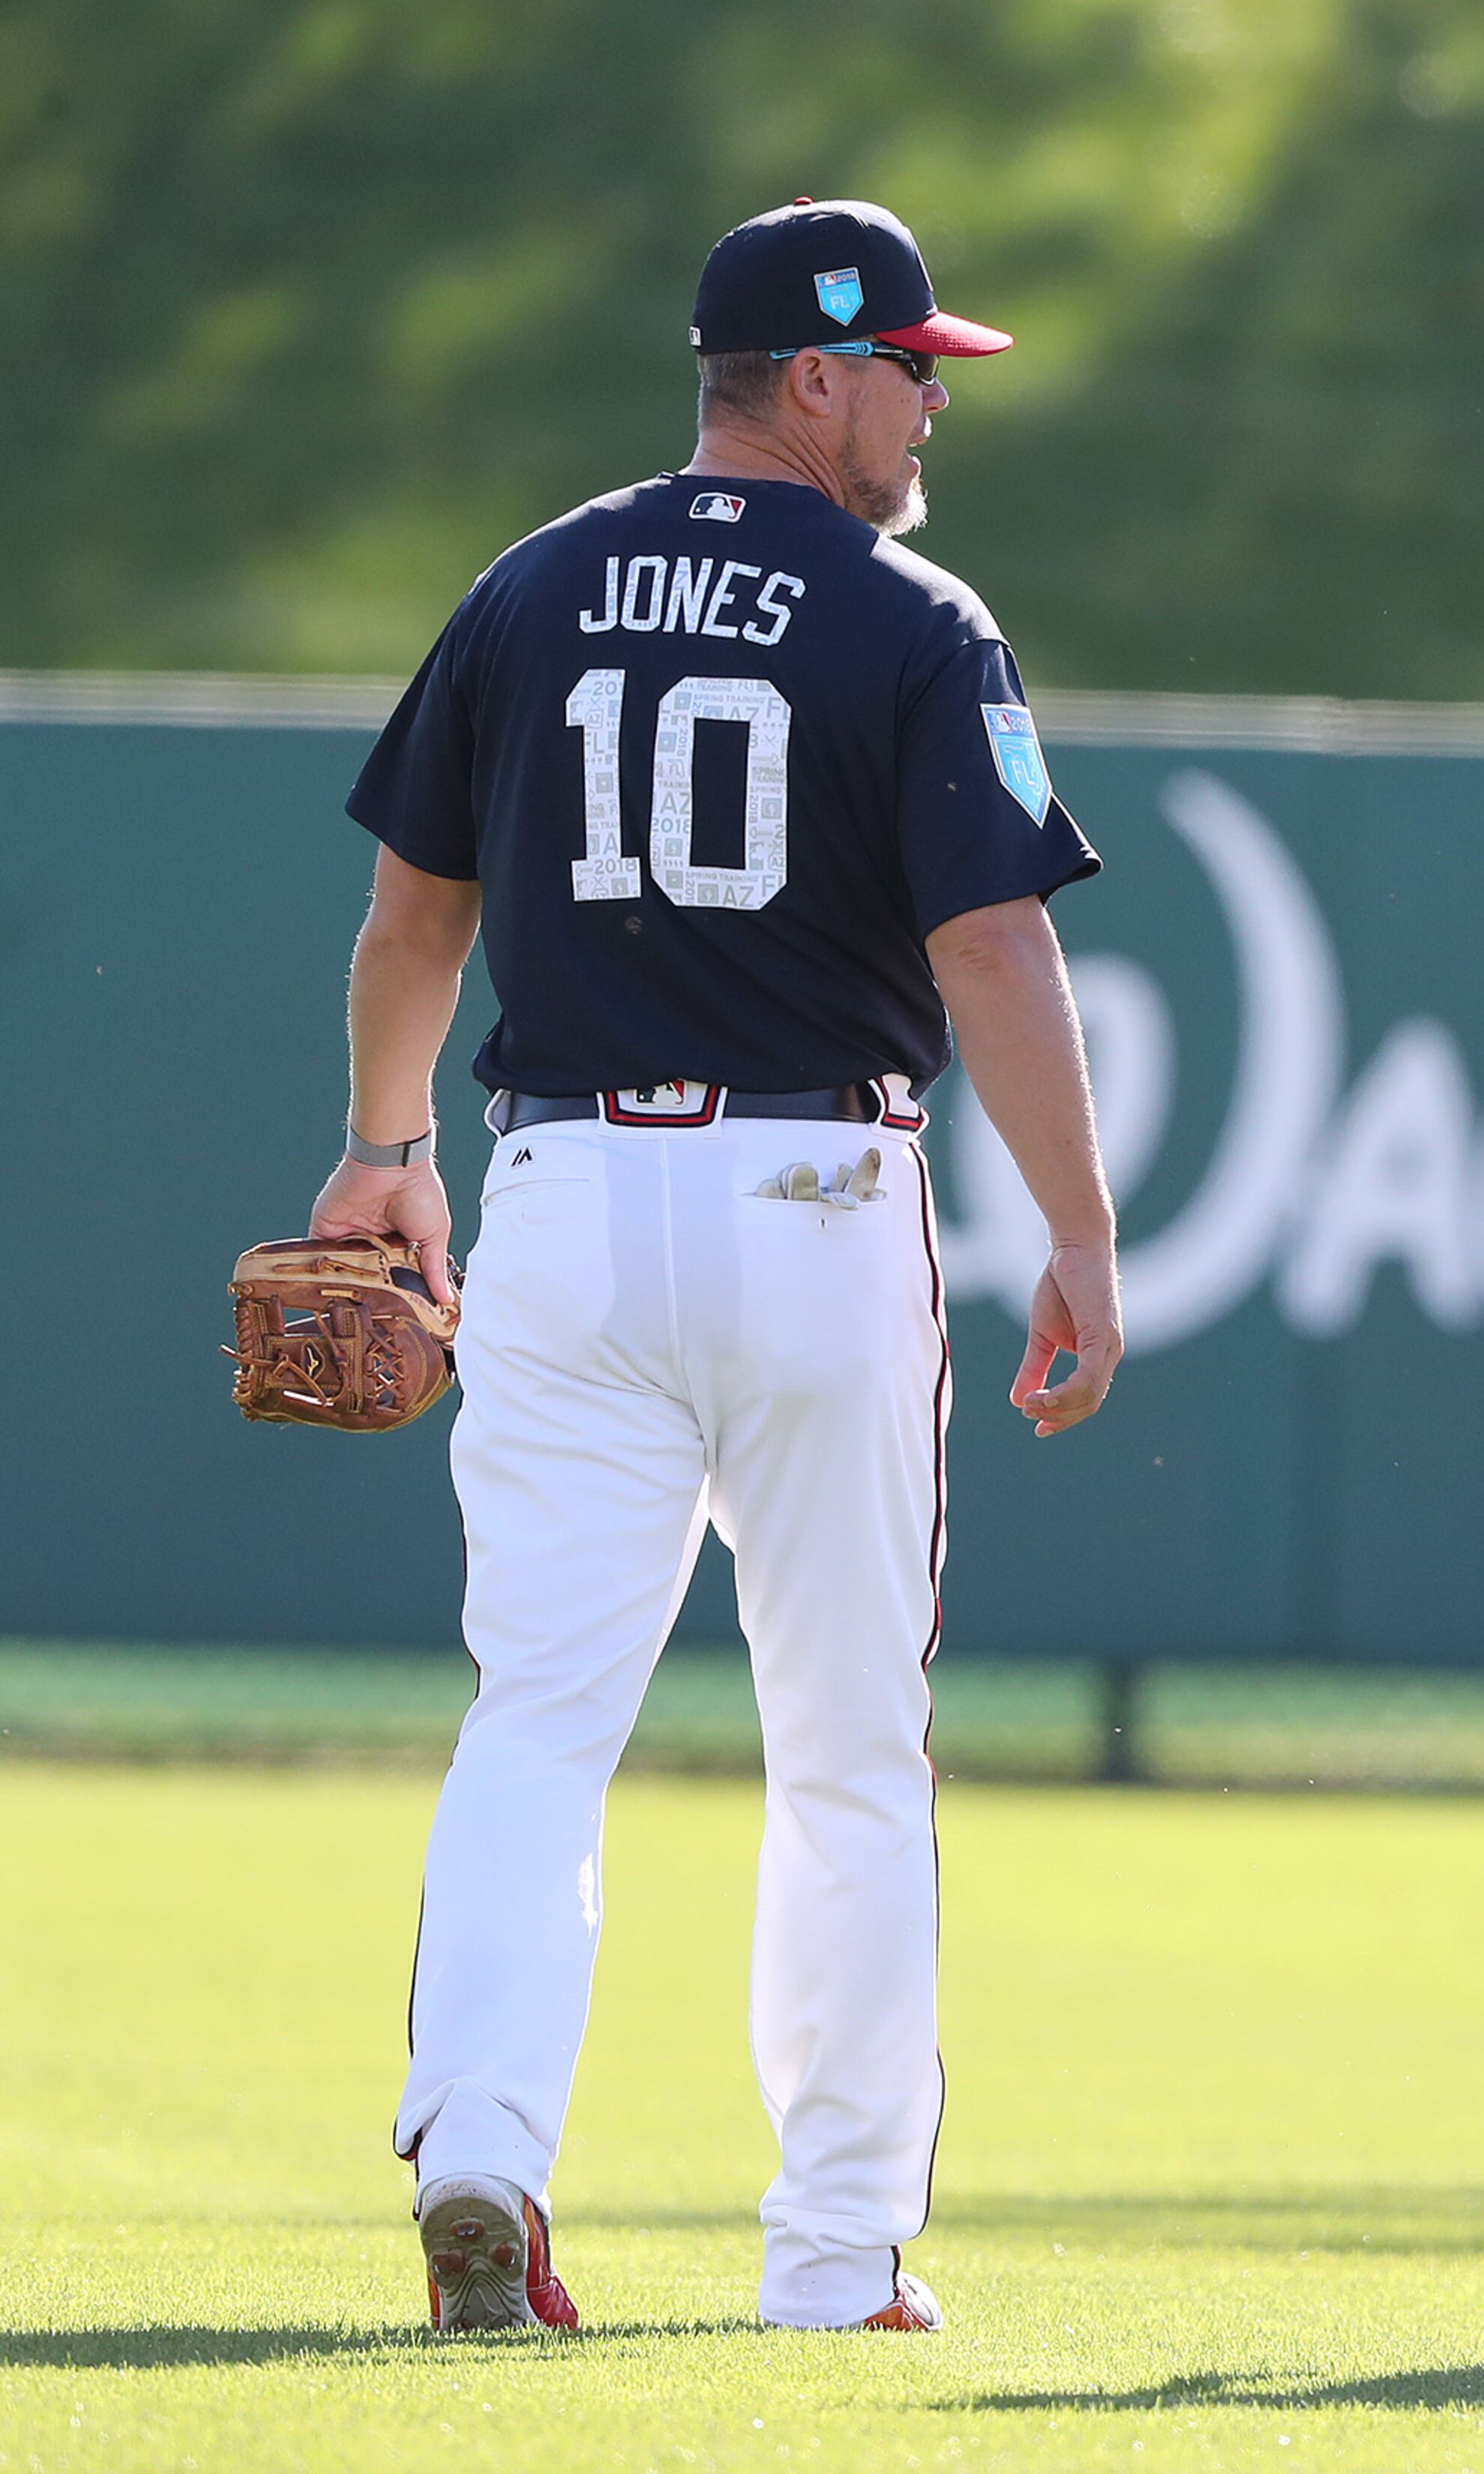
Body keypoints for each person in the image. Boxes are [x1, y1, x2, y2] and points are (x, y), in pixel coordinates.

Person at [310, 197, 1122, 2335]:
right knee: (848, 1743)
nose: (933, 402)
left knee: (538, 1723)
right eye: (912, 367)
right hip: (813, 1207)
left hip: (567, 1200)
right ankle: (838, 2252)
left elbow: (414, 922)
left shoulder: (532, 585)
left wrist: (383, 1149)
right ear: (815, 375)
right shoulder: (912, 616)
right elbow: (992, 942)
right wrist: (1083, 1231)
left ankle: (480, 2141)